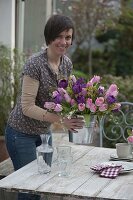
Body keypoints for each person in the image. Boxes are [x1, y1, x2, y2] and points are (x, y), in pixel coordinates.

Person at [5, 14, 84, 200]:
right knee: (28, 189)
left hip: (43, 133)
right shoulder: (35, 64)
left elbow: (65, 98)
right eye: (59, 36)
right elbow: (27, 107)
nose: (64, 41)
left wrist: (84, 109)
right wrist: (62, 121)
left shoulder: (66, 64)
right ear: (49, 37)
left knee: (41, 186)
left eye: (68, 37)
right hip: (20, 134)